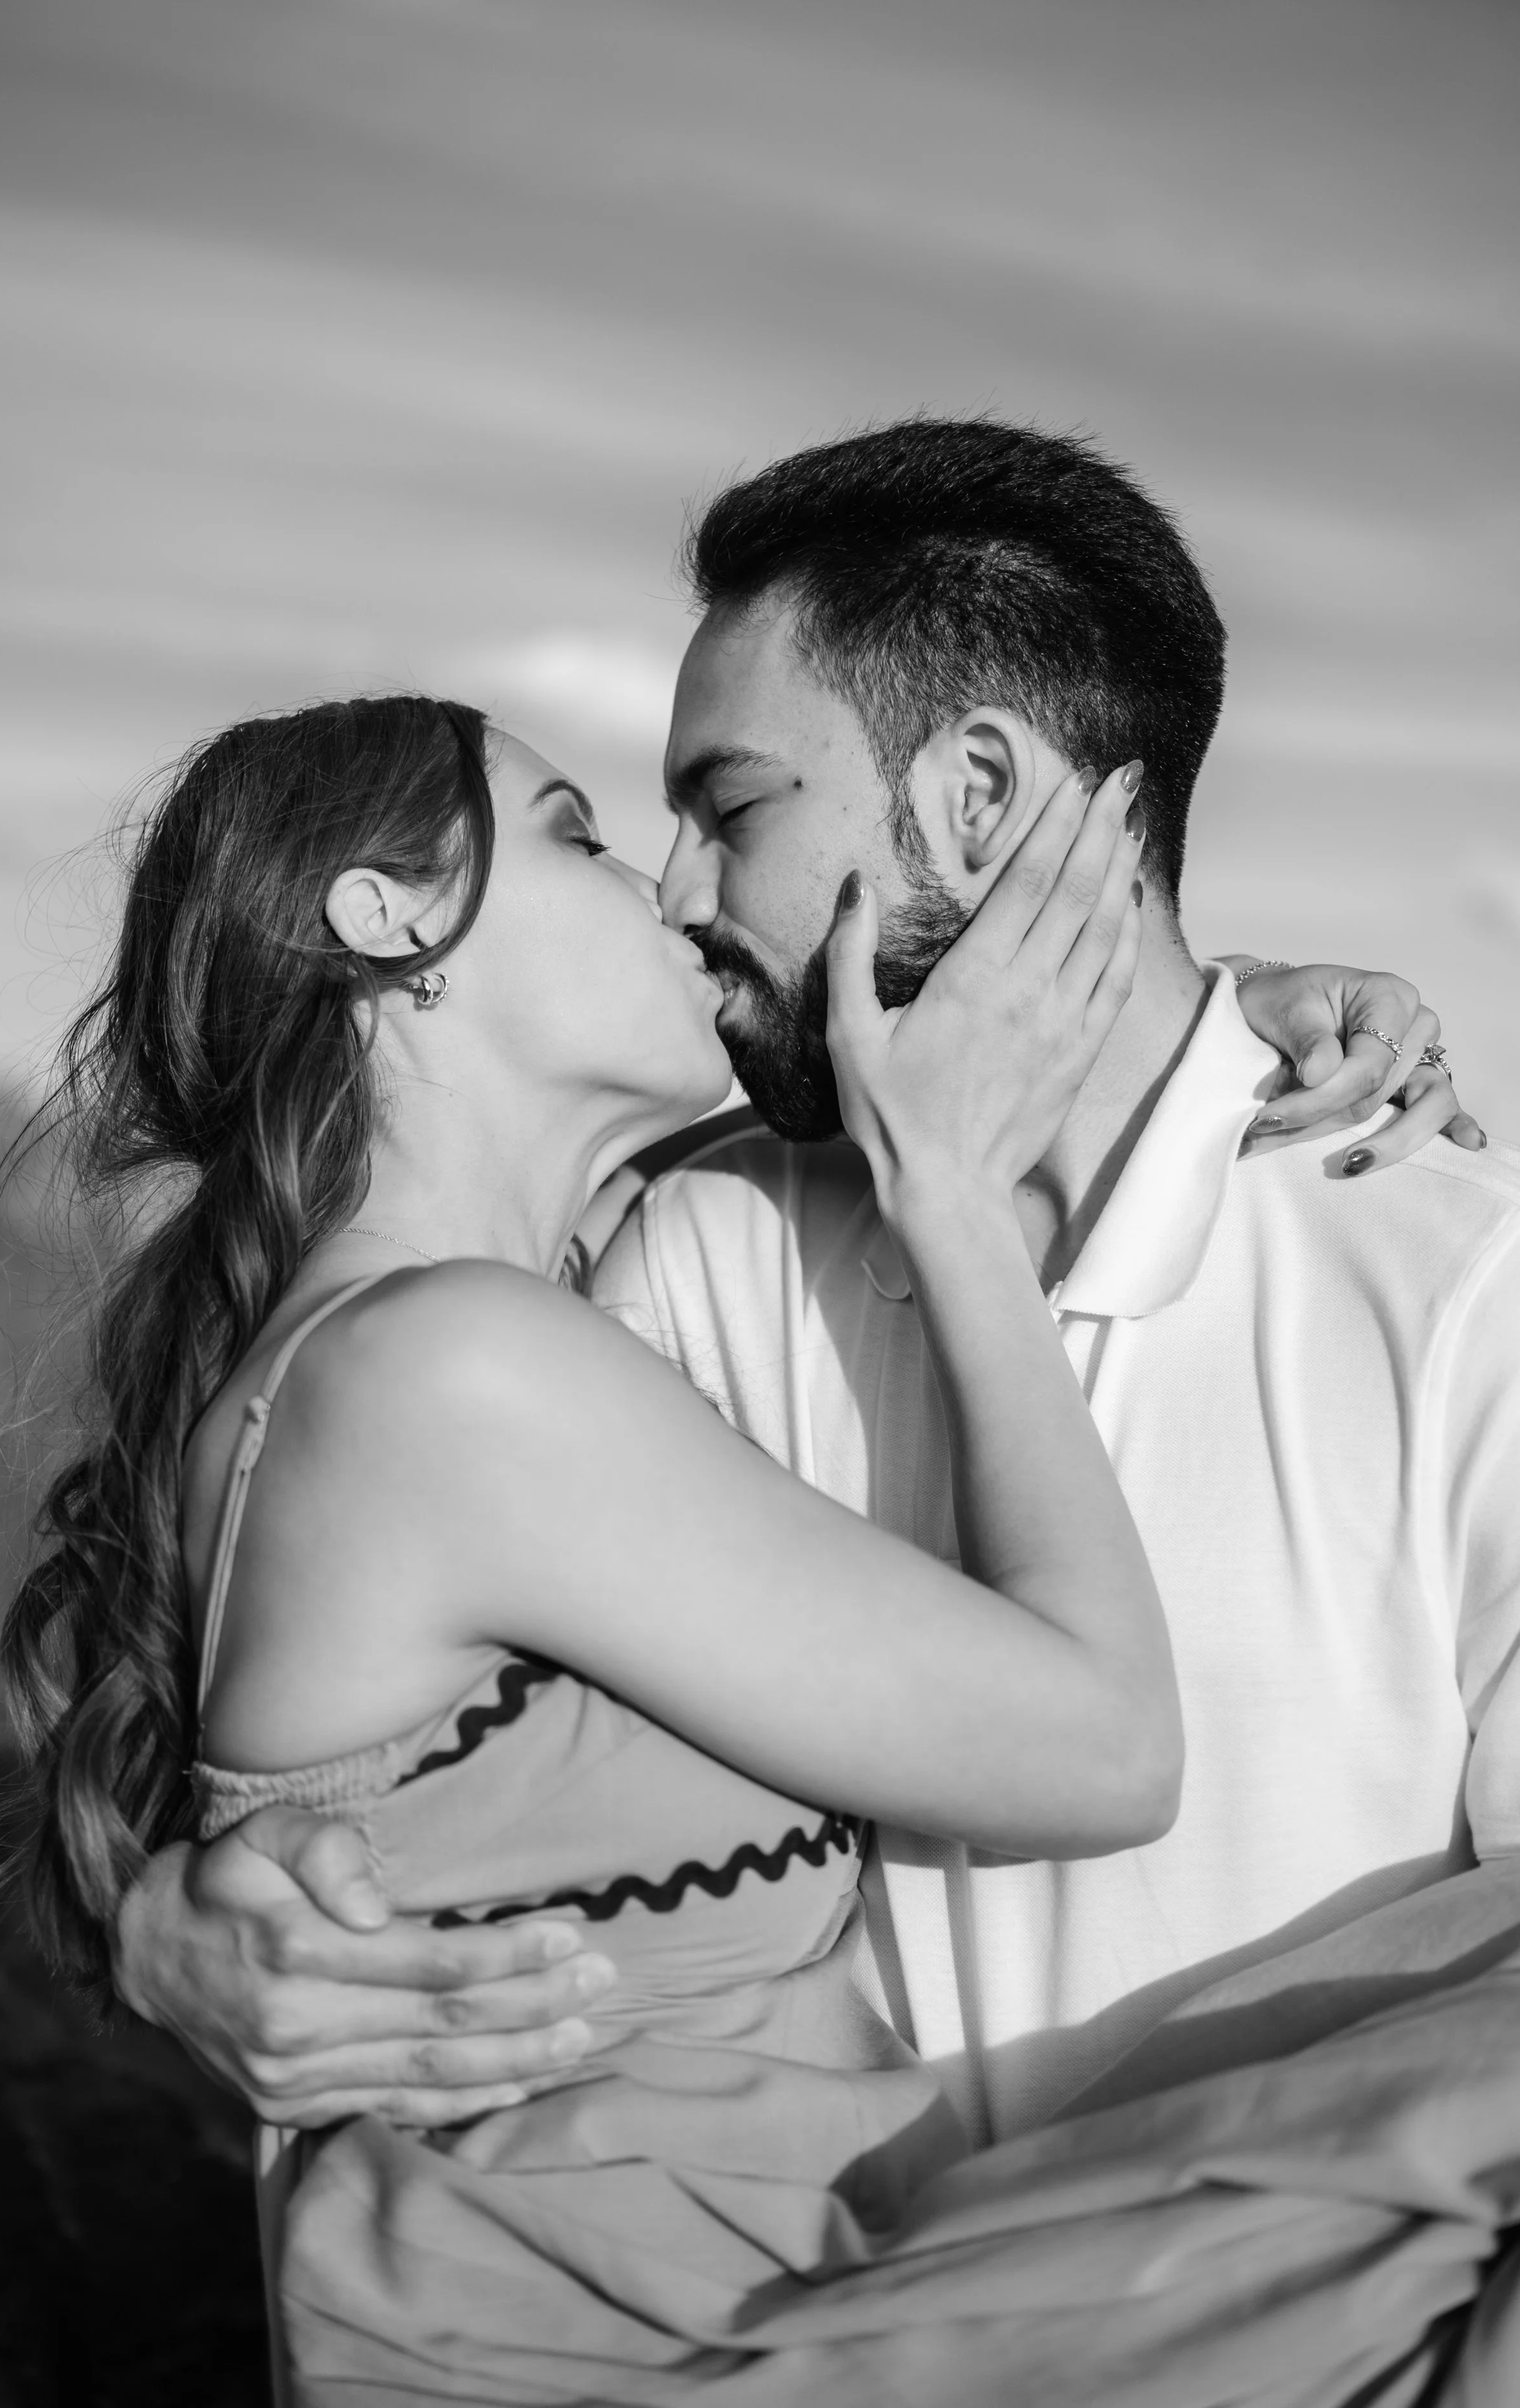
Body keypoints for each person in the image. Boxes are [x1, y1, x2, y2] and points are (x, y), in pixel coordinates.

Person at [0, 672, 1507, 2401]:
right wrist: (950, 1203)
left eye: (713, 818)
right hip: (648, 2355)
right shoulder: (452, 1369)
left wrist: (1220, 1020)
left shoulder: (479, 1334)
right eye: (574, 830)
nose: (668, 890)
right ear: (388, 916)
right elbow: (1097, 1741)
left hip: (734, 2314)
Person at [112, 421, 1508, 2167]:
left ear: (980, 798)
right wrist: (175, 1915)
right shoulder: (688, 1261)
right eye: (616, 833)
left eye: (730, 807)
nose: (680, 895)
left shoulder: (1461, 1287)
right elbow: (372, 1705)